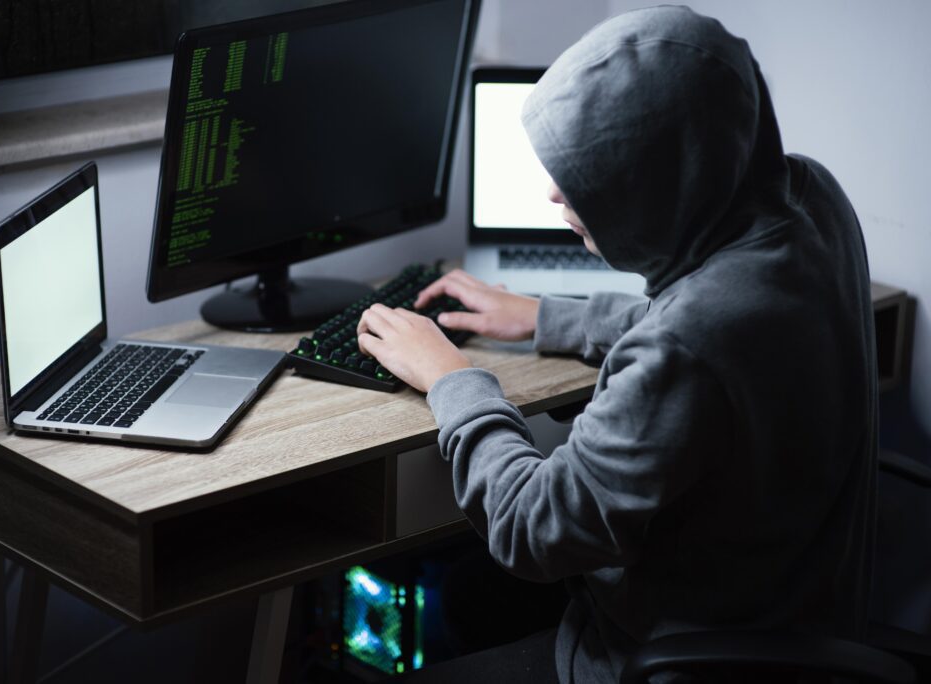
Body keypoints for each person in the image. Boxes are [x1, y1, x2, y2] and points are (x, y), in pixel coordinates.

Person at [358, 6, 877, 684]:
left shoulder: (686, 346)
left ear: (663, 185)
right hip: (791, 589)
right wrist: (550, 317)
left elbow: (530, 529)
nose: (553, 193)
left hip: (675, 656)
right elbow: (724, 318)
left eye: (589, 172)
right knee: (468, 593)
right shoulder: (808, 196)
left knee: (467, 597)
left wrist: (451, 379)